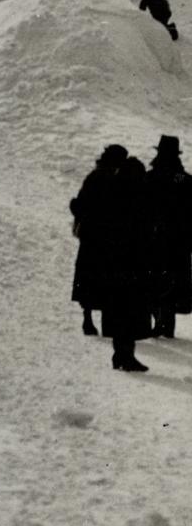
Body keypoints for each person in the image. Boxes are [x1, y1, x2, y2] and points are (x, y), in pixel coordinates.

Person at [70, 143, 128, 338]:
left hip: (90, 237)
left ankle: (87, 318)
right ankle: (106, 322)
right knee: (107, 279)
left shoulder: (93, 178)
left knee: (87, 277)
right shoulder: (119, 181)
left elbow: (80, 205)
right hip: (111, 239)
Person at [103, 157, 154, 372]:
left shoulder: (113, 193)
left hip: (113, 262)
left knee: (117, 310)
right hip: (134, 262)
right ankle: (127, 355)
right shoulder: (139, 196)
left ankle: (120, 354)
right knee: (131, 311)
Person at [147, 135, 192, 338]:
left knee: (154, 279)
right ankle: (168, 324)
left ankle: (158, 321)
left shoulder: (149, 178)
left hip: (153, 238)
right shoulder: (186, 180)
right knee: (174, 280)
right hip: (179, 240)